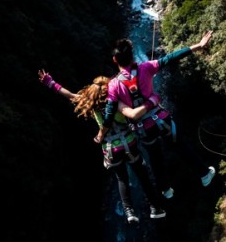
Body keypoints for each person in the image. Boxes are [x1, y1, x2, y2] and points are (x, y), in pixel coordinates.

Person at [95, 30, 216, 199]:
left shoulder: (113, 85)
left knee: (155, 158)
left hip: (143, 129)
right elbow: (170, 58)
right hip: (160, 119)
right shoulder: (146, 67)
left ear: (115, 60)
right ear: (132, 56)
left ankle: (165, 190)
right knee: (180, 147)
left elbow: (108, 114)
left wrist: (102, 134)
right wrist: (198, 46)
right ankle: (204, 174)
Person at [38, 69, 166, 224]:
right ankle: (155, 208)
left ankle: (129, 212)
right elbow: (133, 111)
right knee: (142, 174)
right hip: (129, 143)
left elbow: (70, 95)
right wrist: (150, 99)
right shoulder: (117, 101)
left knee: (122, 179)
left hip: (111, 149)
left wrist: (50, 83)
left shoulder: (90, 102)